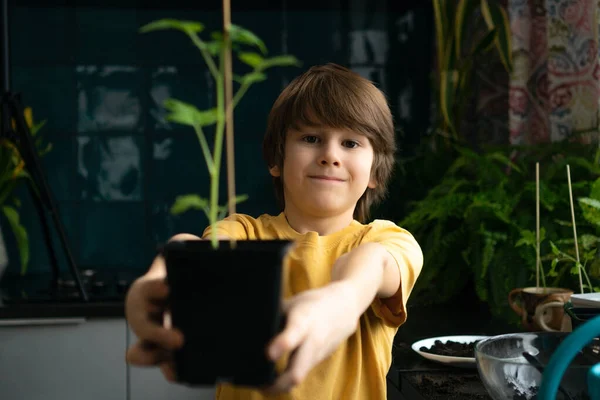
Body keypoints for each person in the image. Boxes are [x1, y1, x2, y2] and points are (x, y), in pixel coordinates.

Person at [125, 63, 423, 400]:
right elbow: (193, 250)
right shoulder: (244, 232)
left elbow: (372, 267)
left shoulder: (386, 241)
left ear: (376, 173)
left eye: (351, 143)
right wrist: (160, 279)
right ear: (276, 159)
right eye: (311, 138)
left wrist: (342, 300)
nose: (330, 155)